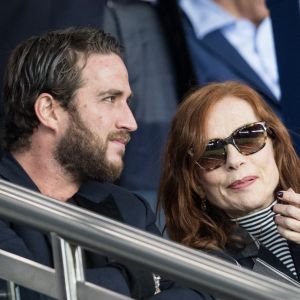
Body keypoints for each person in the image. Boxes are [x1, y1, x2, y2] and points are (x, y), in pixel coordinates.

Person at [0, 27, 208, 299]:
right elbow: (31, 295)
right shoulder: (6, 200)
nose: (130, 122)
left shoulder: (130, 209)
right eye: (110, 99)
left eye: (127, 101)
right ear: (49, 111)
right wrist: (137, 276)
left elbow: (188, 293)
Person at [158, 81, 300, 287]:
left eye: (248, 137)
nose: (234, 161)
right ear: (195, 181)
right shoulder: (196, 272)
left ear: (275, 148)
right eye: (211, 153)